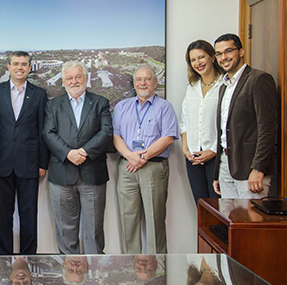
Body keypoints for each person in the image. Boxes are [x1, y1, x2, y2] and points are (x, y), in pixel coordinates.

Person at [43, 61, 112, 254]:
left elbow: (106, 133)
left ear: (86, 78)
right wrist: (68, 153)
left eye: (78, 77)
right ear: (63, 81)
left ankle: (94, 272)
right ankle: (70, 273)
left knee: (94, 230)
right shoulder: (53, 105)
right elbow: (48, 133)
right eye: (69, 78)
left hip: (93, 174)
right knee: (66, 230)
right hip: (62, 175)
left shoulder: (100, 102)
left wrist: (83, 152)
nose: (74, 81)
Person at [112, 65, 178, 254]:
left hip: (153, 167)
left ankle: (158, 269)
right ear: (134, 84)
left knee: (155, 218)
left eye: (147, 79)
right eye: (139, 80)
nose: (143, 83)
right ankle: (130, 265)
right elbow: (116, 136)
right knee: (128, 218)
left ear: (155, 82)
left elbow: (167, 138)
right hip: (126, 166)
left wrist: (142, 157)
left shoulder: (165, 107)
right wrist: (130, 156)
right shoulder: (122, 107)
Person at [0, 51, 49, 255]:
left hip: (29, 164)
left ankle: (28, 256)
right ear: (8, 66)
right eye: (16, 64)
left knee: (28, 214)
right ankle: (2, 257)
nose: (19, 67)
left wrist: (43, 163)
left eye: (24, 64)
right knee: (1, 215)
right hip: (0, 162)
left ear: (30, 67)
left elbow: (43, 130)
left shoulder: (40, 94)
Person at [212, 33, 278, 199]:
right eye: (219, 54)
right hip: (226, 166)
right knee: (230, 221)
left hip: (250, 167)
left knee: (250, 221)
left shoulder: (259, 79)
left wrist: (258, 168)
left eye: (228, 51)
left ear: (241, 52)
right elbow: (223, 131)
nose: (223, 57)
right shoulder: (224, 87)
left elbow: (268, 128)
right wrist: (217, 173)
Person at [180, 40, 224, 205]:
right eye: (193, 60)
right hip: (193, 159)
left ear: (212, 57)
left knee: (219, 209)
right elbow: (184, 122)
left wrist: (212, 151)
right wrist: (185, 150)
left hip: (216, 158)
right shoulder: (192, 87)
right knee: (201, 209)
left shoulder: (224, 85)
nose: (197, 63)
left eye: (201, 57)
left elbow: (227, 125)